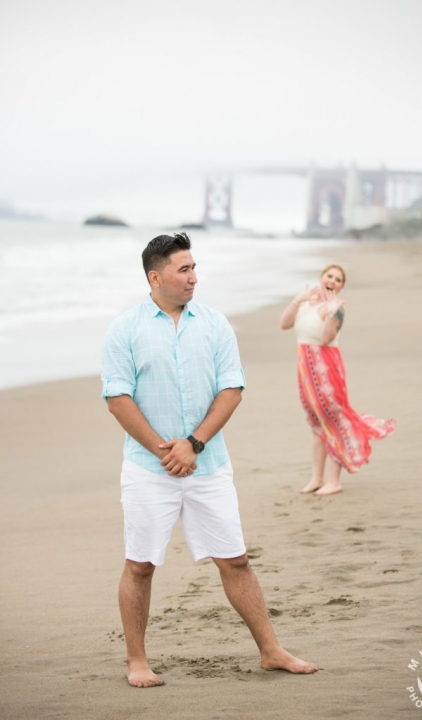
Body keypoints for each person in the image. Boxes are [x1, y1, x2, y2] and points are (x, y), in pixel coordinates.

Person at [101, 232, 318, 688]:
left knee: (235, 560)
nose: (194, 277)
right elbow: (117, 398)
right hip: (148, 468)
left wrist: (193, 445)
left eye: (195, 268)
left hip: (208, 463)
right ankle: (137, 660)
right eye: (184, 270)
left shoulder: (216, 324)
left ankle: (271, 651)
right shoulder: (125, 329)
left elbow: (232, 388)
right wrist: (167, 449)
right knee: (140, 564)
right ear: (155, 277)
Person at [279, 263, 395, 496]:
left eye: (338, 279)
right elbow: (284, 324)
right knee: (316, 426)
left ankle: (334, 481)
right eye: (329, 276)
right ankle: (316, 479)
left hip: (326, 369)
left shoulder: (337, 309)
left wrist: (331, 313)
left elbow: (324, 339)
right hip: (305, 370)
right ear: (321, 278)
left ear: (341, 287)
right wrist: (298, 298)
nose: (332, 280)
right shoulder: (304, 303)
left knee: (334, 420)